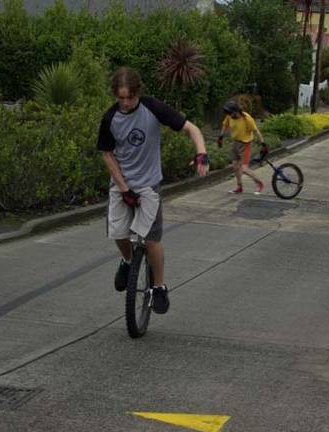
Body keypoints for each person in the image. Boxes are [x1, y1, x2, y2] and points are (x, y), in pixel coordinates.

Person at [97, 66, 209, 314]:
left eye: (130, 97)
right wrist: (123, 187)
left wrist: (201, 153)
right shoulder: (110, 117)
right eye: (121, 98)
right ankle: (127, 261)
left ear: (138, 92)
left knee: (151, 238)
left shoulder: (153, 107)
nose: (125, 103)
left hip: (148, 184)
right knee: (117, 231)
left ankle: (159, 287)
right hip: (121, 183)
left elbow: (193, 129)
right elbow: (106, 154)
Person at [217, 100, 267, 194]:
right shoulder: (229, 116)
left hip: (245, 144)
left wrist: (263, 144)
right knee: (235, 167)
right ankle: (239, 187)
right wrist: (220, 137)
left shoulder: (247, 119)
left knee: (244, 169)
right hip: (235, 143)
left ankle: (259, 183)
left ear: (236, 111)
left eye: (230, 113)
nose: (229, 115)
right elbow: (225, 125)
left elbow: (256, 131)